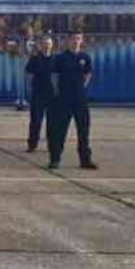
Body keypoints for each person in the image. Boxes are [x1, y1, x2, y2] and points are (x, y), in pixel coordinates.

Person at [48, 32, 98, 170]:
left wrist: (81, 88)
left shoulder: (85, 57)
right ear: (67, 40)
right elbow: (54, 76)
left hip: (80, 100)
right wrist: (58, 92)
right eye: (73, 38)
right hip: (64, 99)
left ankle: (85, 160)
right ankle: (55, 159)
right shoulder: (61, 58)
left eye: (78, 38)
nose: (76, 41)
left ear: (81, 40)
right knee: (60, 130)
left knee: (83, 130)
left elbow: (88, 74)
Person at [25, 34, 55, 152]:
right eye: (44, 44)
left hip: (52, 94)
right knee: (36, 120)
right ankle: (32, 144)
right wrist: (30, 87)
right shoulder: (35, 58)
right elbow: (28, 73)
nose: (46, 46)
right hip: (37, 93)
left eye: (48, 44)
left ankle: (52, 144)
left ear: (52, 45)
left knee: (52, 121)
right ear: (40, 45)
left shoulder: (56, 59)